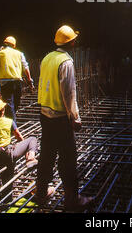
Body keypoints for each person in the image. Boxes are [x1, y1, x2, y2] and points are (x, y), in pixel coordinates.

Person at [36, 25, 95, 212]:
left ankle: (41, 193)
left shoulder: (47, 57)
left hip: (45, 114)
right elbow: (69, 93)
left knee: (46, 155)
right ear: (71, 42)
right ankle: (72, 199)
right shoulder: (66, 62)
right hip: (61, 117)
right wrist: (75, 118)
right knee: (68, 159)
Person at [0, 98, 38, 205]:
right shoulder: (9, 121)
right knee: (32, 139)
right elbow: (19, 136)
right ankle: (31, 157)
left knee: (6, 182)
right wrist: (25, 150)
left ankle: (5, 205)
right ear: (3, 111)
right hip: (9, 153)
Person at [0, 36, 35, 123]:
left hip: (5, 83)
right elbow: (26, 67)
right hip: (17, 82)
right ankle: (13, 126)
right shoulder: (19, 53)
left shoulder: (1, 53)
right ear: (14, 45)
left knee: (9, 106)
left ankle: (11, 126)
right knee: (15, 104)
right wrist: (29, 80)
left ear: (4, 44)